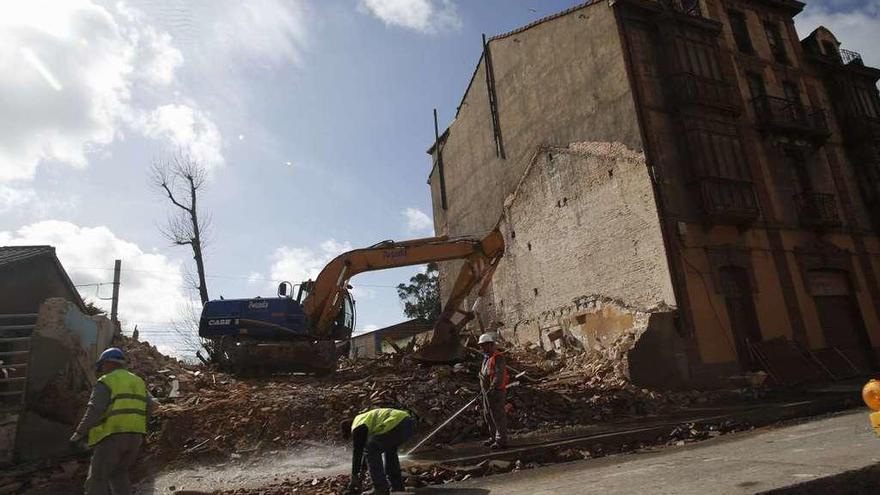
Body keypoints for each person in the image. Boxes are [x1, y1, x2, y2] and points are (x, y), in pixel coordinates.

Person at [70, 347, 155, 495]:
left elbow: (95, 410)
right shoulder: (138, 381)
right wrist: (141, 427)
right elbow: (152, 406)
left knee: (97, 480)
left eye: (102, 366)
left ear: (108, 363)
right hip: (135, 438)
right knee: (119, 475)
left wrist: (78, 433)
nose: (102, 370)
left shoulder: (106, 381)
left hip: (112, 437)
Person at [340, 407, 415, 495]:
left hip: (396, 424)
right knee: (389, 451)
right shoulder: (364, 421)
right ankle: (397, 485)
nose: (353, 438)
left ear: (349, 430)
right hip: (407, 423)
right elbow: (365, 453)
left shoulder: (357, 426)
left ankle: (380, 488)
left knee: (372, 448)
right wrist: (363, 471)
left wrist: (354, 475)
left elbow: (358, 452)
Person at [478, 332, 509, 449]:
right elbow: (484, 375)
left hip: (496, 391)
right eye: (481, 345)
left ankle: (501, 441)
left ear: (490, 345)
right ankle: (493, 437)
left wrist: (493, 387)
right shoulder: (486, 358)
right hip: (487, 392)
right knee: (488, 415)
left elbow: (498, 374)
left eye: (484, 345)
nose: (482, 348)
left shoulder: (498, 357)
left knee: (497, 416)